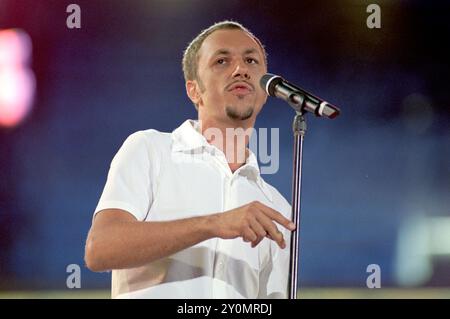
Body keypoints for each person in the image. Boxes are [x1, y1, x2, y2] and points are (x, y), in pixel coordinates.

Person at [85, 20, 295, 299]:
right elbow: (100, 249)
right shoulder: (150, 150)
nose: (241, 69)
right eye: (222, 61)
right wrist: (214, 224)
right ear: (194, 90)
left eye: (251, 60)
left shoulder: (276, 207)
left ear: (265, 90)